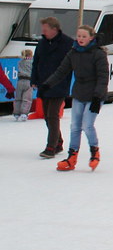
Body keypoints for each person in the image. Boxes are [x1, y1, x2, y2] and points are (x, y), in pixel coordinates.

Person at [43, 25, 109, 172]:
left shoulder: (98, 54)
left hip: (95, 95)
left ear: (91, 37)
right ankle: (71, 157)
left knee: (87, 125)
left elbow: (103, 78)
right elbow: (61, 71)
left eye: (84, 36)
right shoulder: (73, 52)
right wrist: (47, 85)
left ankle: (94, 152)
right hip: (79, 93)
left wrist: (98, 97)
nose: (80, 39)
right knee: (75, 126)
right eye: (78, 36)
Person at [30, 16, 74, 158]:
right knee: (47, 117)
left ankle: (51, 147)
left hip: (59, 84)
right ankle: (59, 142)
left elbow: (73, 63)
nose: (43, 32)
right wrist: (34, 79)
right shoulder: (42, 43)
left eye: (45, 30)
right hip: (44, 84)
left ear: (54, 29)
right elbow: (36, 62)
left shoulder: (67, 43)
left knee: (53, 115)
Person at [12, 49, 33, 121]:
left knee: (18, 98)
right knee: (26, 99)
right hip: (28, 81)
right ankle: (24, 114)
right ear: (30, 55)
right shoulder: (32, 62)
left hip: (20, 81)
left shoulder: (20, 62)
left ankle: (16, 113)